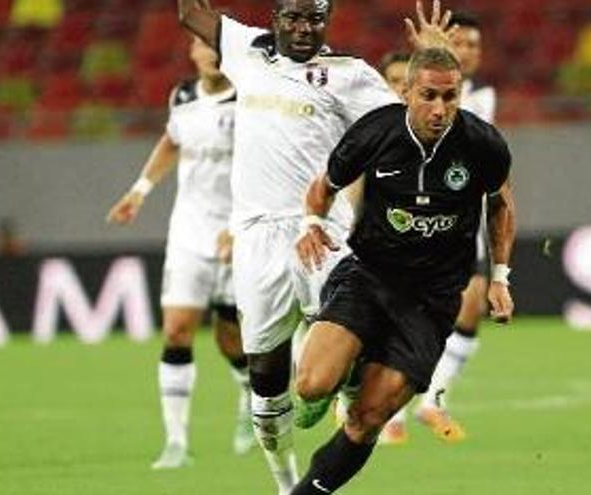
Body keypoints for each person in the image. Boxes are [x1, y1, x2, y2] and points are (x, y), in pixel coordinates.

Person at [175, 0, 446, 492]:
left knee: (348, 335)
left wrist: (432, 57)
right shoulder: (244, 51)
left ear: (328, 21)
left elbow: (414, 123)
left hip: (323, 231)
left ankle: (341, 392)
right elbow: (190, 14)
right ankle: (285, 483)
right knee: (266, 375)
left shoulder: (350, 75)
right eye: (294, 18)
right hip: (257, 239)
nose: (304, 28)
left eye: (315, 19)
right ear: (275, 19)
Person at [290, 46, 516, 495]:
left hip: (431, 300)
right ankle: (348, 374)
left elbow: (501, 206)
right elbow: (324, 187)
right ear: (406, 92)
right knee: (312, 386)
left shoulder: (482, 143)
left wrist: (500, 276)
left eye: (450, 97)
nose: (440, 108)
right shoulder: (375, 132)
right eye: (429, 95)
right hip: (368, 277)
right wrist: (312, 223)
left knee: (368, 418)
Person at [106, 37, 253, 469]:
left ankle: (248, 393)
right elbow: (172, 141)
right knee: (175, 330)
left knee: (232, 337)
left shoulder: (252, 101)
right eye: (203, 45)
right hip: (189, 232)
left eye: (219, 45)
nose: (211, 52)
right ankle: (176, 442)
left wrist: (240, 224)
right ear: (192, 53)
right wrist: (140, 189)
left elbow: (264, 166)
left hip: (237, 233)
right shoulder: (183, 96)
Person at [380, 10, 499, 445]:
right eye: (460, 43)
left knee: (470, 306)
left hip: (460, 216)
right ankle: (385, 410)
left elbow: (463, 130)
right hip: (408, 214)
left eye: (474, 47)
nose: (467, 51)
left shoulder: (481, 96)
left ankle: (432, 399)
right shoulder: (409, 90)